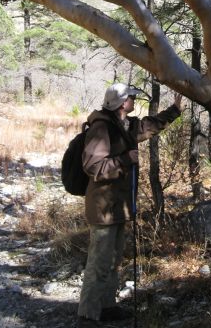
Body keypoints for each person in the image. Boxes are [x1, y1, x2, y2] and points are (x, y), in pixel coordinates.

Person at [77, 83, 183, 327]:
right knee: (99, 262)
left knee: (113, 260)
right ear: (122, 103)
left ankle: (107, 307)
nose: (134, 101)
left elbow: (150, 126)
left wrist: (175, 110)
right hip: (103, 208)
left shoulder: (124, 125)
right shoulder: (102, 128)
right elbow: (93, 168)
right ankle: (87, 315)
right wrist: (125, 160)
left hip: (118, 207)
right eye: (131, 98)